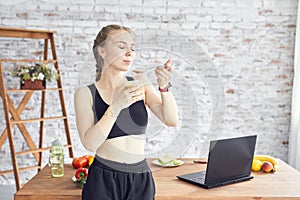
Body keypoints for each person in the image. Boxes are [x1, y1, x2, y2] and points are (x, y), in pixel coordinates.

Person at [74, 24, 178, 200]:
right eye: (121, 47)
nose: (129, 53)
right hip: (103, 178)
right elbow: (90, 143)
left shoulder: (141, 84)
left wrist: (164, 87)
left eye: (132, 48)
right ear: (102, 51)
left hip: (140, 178)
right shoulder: (85, 93)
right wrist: (116, 106)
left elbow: (170, 119)